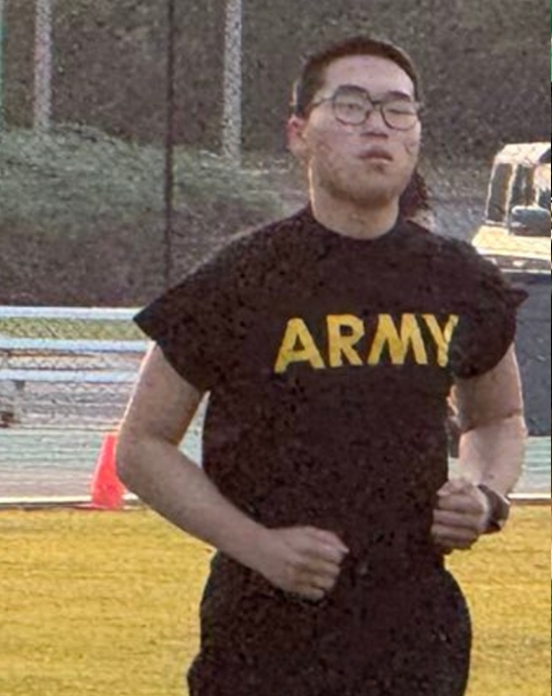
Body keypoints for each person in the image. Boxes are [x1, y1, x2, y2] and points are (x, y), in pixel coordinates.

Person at [116, 37, 529, 695]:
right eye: (352, 104)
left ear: (417, 133)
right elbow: (141, 447)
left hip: (415, 632)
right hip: (264, 633)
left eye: (398, 109)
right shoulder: (241, 279)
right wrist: (260, 548)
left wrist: (484, 495)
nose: (377, 125)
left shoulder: (460, 281)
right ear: (298, 132)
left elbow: (500, 417)